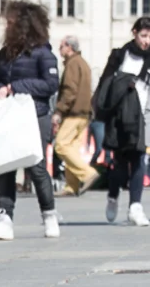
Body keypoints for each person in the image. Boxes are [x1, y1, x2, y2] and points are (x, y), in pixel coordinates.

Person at [0, 1, 61, 241]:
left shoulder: (43, 53)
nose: (6, 26)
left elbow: (51, 84)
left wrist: (16, 87)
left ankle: (49, 214)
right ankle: (4, 218)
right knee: (5, 166)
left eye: (10, 22)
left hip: (36, 115)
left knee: (36, 167)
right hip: (8, 115)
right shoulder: (5, 53)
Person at [96, 17, 150, 227]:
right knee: (120, 163)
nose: (146, 41)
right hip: (119, 117)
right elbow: (104, 83)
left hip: (145, 117)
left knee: (139, 159)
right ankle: (113, 196)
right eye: (143, 36)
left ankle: (135, 207)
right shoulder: (119, 55)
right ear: (134, 33)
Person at [53, 36, 98, 197]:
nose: (60, 50)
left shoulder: (72, 64)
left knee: (61, 145)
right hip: (84, 113)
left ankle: (87, 174)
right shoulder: (83, 63)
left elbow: (69, 90)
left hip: (73, 112)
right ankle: (71, 186)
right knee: (71, 148)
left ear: (69, 47)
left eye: (61, 46)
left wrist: (59, 111)